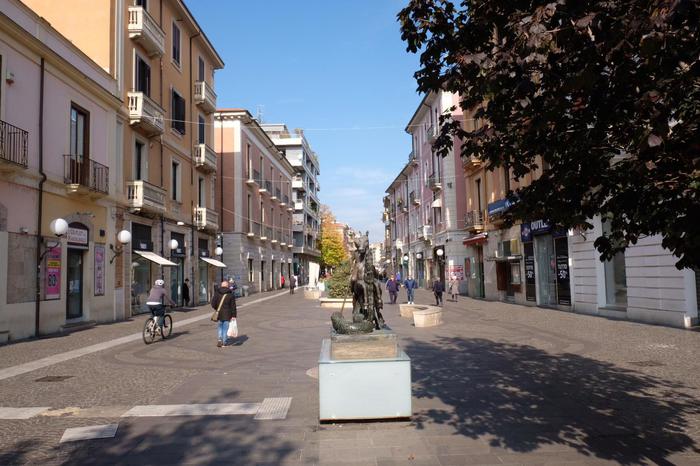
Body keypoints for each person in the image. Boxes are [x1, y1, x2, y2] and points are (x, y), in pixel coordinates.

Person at [211, 280, 237, 347]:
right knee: (225, 328)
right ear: (227, 286)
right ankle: (224, 341)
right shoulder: (230, 294)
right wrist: (234, 315)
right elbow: (233, 306)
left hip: (219, 313)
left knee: (220, 327)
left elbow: (213, 303)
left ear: (221, 285)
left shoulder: (217, 293)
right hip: (228, 314)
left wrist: (217, 309)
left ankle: (220, 339)